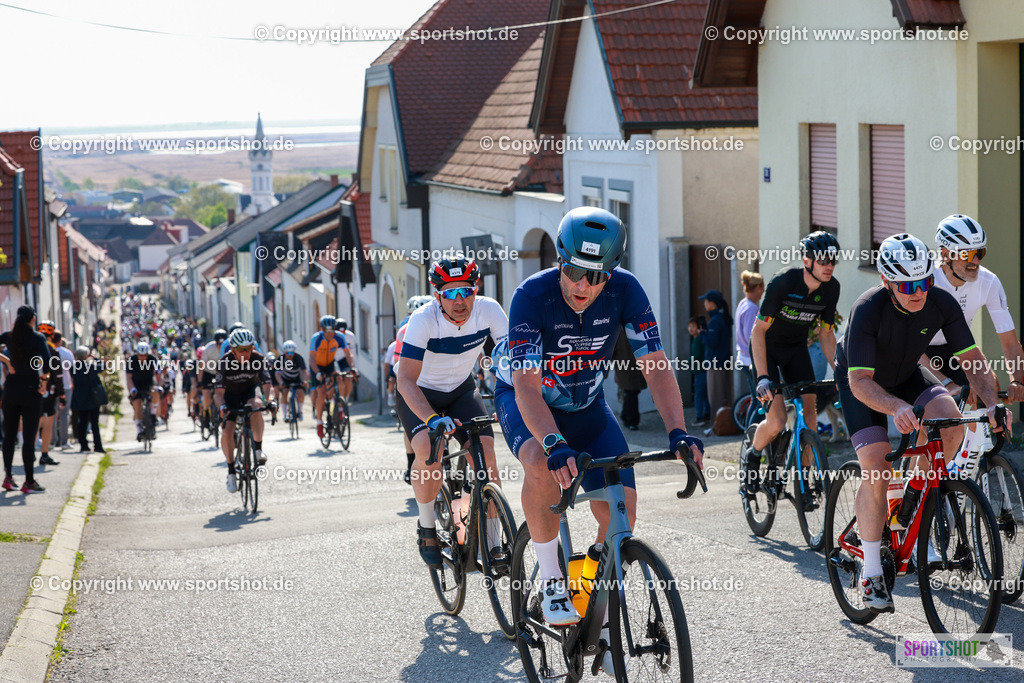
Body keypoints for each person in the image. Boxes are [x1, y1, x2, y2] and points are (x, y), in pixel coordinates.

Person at [491, 206, 704, 645]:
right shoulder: (531, 297)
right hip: (526, 398)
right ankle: (551, 579)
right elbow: (527, 387)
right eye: (573, 271)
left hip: (587, 404)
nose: (582, 286)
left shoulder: (627, 290)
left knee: (622, 509)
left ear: (613, 272)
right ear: (559, 261)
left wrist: (677, 432)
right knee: (540, 463)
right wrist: (553, 442)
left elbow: (655, 364)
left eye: (596, 276)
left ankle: (594, 604)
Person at [835, 233, 1007, 613]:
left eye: (925, 281)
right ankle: (872, 572)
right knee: (877, 468)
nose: (918, 293)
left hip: (906, 374)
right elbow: (859, 381)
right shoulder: (867, 309)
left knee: (951, 421)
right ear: (886, 281)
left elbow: (972, 361)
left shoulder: (940, 302)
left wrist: (994, 404)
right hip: (862, 382)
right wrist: (895, 406)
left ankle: (912, 496)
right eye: (908, 286)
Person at [397, 254, 508, 568]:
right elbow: (405, 380)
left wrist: (511, 404)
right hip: (421, 392)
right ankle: (427, 527)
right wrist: (432, 418)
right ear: (437, 296)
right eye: (450, 293)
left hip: (460, 390)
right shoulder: (423, 319)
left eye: (466, 291)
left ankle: (493, 542)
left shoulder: (489, 310)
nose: (460, 300)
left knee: (486, 454)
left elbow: (511, 362)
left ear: (476, 289)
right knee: (428, 448)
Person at [743, 231, 840, 493]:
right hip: (767, 349)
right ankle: (753, 454)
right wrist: (763, 377)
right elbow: (758, 331)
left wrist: (841, 371)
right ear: (807, 261)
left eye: (833, 260)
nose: (829, 266)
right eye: (823, 260)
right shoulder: (783, 283)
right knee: (776, 422)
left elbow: (826, 334)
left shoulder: (831, 288)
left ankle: (804, 479)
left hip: (796, 350)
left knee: (810, 417)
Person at [925, 214, 1024, 403]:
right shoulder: (926, 282)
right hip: (918, 352)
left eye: (979, 253)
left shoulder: (989, 281)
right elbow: (907, 345)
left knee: (990, 389)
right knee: (938, 406)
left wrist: (1017, 381)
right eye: (967, 255)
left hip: (958, 350)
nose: (976, 261)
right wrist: (946, 383)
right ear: (945, 254)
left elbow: (1011, 344)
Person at [214, 328, 275, 493]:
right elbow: (218, 394)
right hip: (230, 396)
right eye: (242, 350)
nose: (246, 353)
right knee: (227, 431)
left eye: (249, 348)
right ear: (233, 350)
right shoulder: (224, 362)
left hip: (250, 392)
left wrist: (270, 400)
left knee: (256, 406)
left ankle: (258, 449)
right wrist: (222, 406)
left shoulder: (258, 359)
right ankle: (231, 472)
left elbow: (267, 386)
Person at [0, 306, 52, 493]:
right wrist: (44, 382)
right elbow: (47, 363)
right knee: (29, 438)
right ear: (33, 319)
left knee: (9, 436)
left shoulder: (8, 336)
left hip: (11, 389)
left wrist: (7, 362)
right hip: (30, 390)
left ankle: (8, 477)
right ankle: (29, 481)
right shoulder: (38, 338)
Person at [310, 315, 354, 439]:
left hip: (329, 365)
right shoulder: (316, 338)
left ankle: (340, 409)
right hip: (317, 367)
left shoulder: (339, 337)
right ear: (322, 330)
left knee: (339, 378)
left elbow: (348, 354)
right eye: (327, 331)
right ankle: (319, 422)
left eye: (332, 330)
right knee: (322, 392)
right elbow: (312, 359)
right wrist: (318, 373)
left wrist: (352, 368)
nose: (330, 334)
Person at [698, 289, 734, 432]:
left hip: (715, 363)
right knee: (725, 395)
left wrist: (702, 334)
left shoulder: (715, 321)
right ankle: (725, 424)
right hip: (725, 361)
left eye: (706, 301)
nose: (704, 304)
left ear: (713, 303)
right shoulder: (724, 318)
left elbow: (712, 343)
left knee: (716, 397)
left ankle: (716, 426)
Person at [36, 321, 66, 467]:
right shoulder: (53, 352)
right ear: (52, 335)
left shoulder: (31, 349)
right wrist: (62, 395)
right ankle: (44, 454)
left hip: (32, 390)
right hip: (49, 391)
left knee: (33, 422)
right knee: (47, 423)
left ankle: (28, 452)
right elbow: (58, 376)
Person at [734, 270, 764, 408]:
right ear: (758, 287)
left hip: (743, 358)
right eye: (762, 288)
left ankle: (749, 424)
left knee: (755, 400)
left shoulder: (743, 303)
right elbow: (751, 337)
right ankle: (753, 424)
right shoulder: (751, 308)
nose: (763, 292)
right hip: (750, 360)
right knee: (759, 402)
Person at [70, 345, 105, 453]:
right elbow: (103, 366)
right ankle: (98, 446)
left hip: (80, 398)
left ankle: (83, 445)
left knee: (82, 422)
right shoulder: (91, 366)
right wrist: (94, 358)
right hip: (92, 398)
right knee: (94, 423)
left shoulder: (73, 368)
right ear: (87, 356)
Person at [612, 327, 646, 430]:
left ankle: (626, 417)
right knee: (631, 393)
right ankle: (631, 420)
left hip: (633, 367)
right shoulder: (620, 333)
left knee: (631, 393)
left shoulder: (620, 332)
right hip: (627, 367)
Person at [126, 341, 161, 441]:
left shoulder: (153, 359)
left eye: (144, 355)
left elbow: (159, 374)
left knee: (155, 392)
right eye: (140, 355)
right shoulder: (131, 360)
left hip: (149, 382)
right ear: (137, 354)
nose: (142, 357)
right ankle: (139, 430)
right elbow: (128, 378)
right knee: (137, 404)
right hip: (136, 384)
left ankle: (153, 415)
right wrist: (132, 389)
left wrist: (158, 386)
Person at [51, 330, 75, 450]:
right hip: (66, 385)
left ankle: (52, 441)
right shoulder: (67, 353)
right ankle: (64, 442)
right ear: (60, 340)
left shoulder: (49, 352)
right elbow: (73, 370)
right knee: (64, 414)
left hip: (53, 386)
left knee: (52, 414)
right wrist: (73, 383)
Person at [275, 340, 309, 421]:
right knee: (284, 393)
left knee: (300, 392)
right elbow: (277, 373)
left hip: (296, 378)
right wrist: (281, 382)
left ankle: (299, 411)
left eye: (292, 353)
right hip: (285, 379)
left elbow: (304, 372)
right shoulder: (280, 358)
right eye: (288, 353)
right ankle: (285, 415)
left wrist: (305, 381)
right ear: (284, 352)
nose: (290, 355)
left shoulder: (299, 357)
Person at [688, 316, 710, 427]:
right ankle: (707, 414)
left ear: (699, 327)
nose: (690, 329)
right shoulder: (699, 338)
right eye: (689, 326)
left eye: (693, 326)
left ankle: (699, 417)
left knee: (698, 395)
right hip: (703, 370)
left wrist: (685, 362)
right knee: (704, 394)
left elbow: (695, 356)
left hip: (700, 371)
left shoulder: (697, 340)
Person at [336, 319, 359, 402]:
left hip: (345, 359)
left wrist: (354, 368)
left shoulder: (350, 336)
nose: (341, 334)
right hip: (334, 359)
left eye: (343, 331)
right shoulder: (332, 336)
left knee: (348, 378)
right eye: (339, 331)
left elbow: (353, 353)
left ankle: (345, 400)